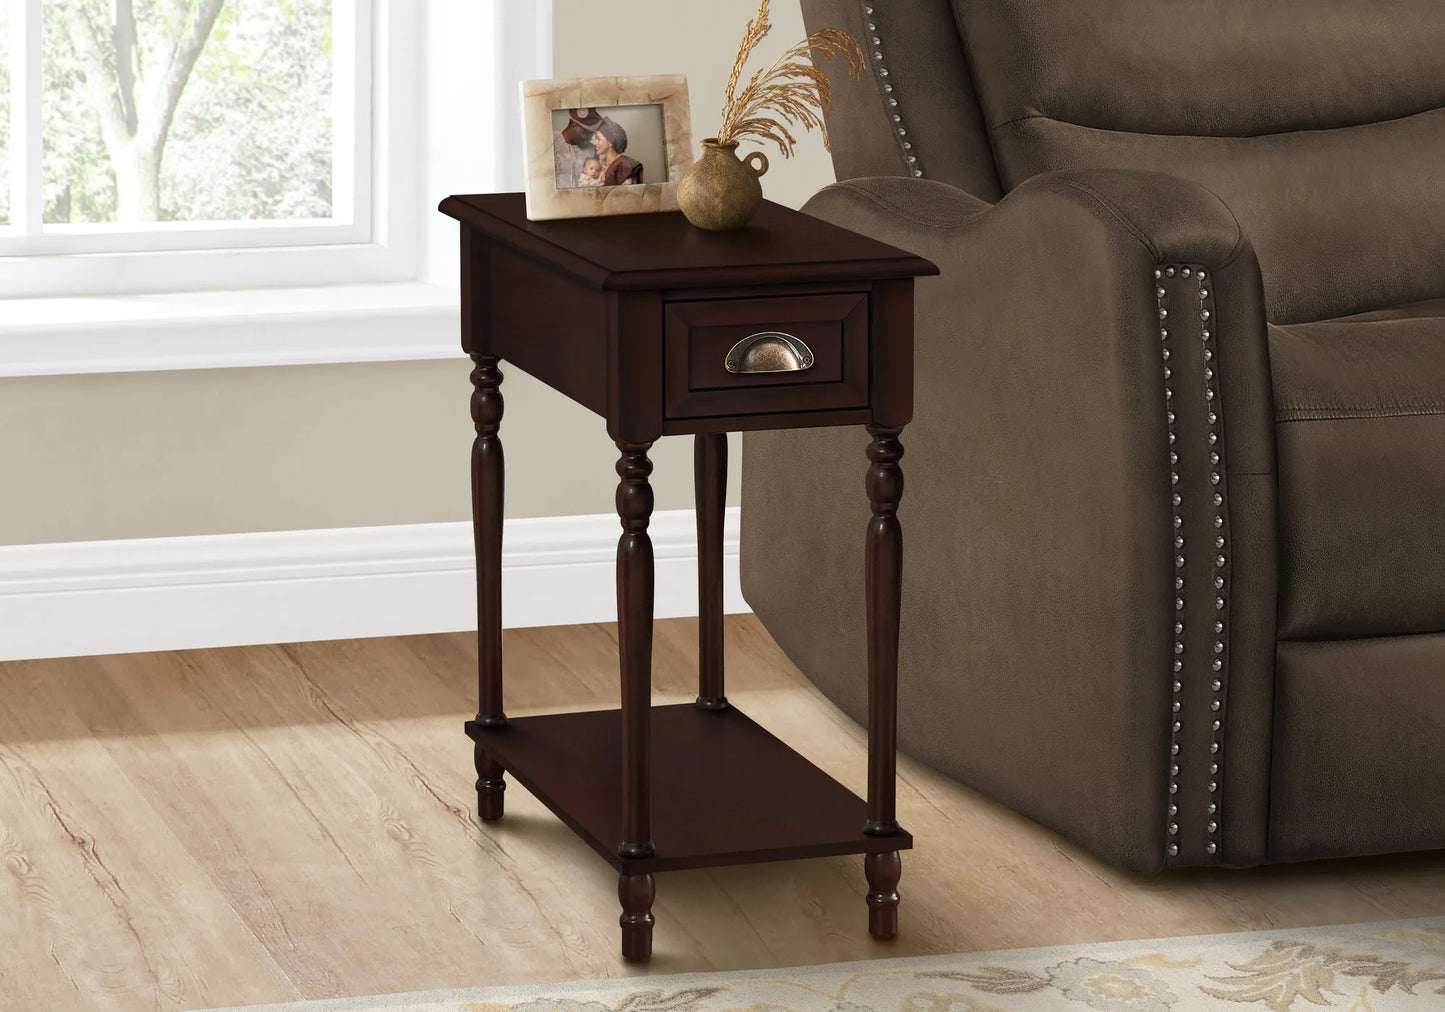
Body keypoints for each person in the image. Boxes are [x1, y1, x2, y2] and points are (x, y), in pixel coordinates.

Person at [552, 108, 601, 189]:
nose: (590, 138)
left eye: (592, 134)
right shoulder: (550, 141)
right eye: (587, 132)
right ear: (575, 125)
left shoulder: (592, 150)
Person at [592, 118, 644, 186]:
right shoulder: (598, 164)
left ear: (611, 142)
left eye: (598, 139)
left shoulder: (626, 166)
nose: (595, 143)